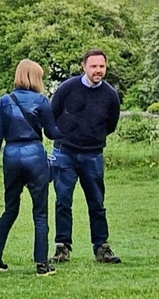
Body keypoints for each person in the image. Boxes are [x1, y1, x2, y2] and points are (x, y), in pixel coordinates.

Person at [0, 59, 62, 276]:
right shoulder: (41, 101)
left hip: (11, 156)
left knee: (10, 209)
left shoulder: (5, 101)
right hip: (34, 155)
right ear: (35, 78)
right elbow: (52, 133)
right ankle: (42, 264)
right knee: (40, 213)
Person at [49, 49, 122, 265]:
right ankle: (62, 247)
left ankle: (102, 247)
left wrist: (93, 138)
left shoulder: (110, 95)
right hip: (65, 152)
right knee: (63, 200)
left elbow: (111, 125)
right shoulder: (67, 89)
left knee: (97, 203)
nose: (98, 70)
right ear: (84, 66)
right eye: (94, 66)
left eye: (101, 66)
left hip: (93, 154)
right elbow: (52, 114)